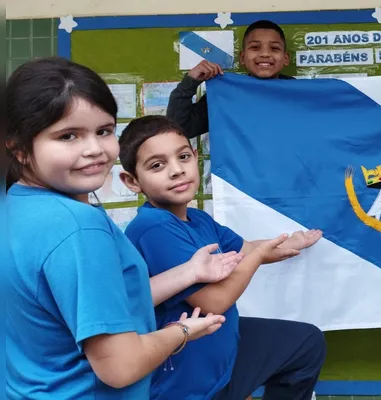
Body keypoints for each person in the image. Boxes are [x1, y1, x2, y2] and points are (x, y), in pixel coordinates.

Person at [6, 57, 232, 399]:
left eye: (104, 131)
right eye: (68, 136)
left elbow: (96, 306)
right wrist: (182, 331)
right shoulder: (78, 228)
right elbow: (120, 367)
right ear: (20, 148)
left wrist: (188, 272)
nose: (95, 150)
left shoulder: (16, 206)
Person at [117, 115, 327, 400]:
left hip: (222, 347)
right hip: (188, 376)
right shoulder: (153, 227)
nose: (177, 170)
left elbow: (244, 250)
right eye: (157, 165)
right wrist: (260, 256)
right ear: (132, 181)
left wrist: (292, 242)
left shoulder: (197, 218)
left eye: (183, 156)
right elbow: (214, 302)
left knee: (305, 343)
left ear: (195, 157)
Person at [167, 20, 293, 139]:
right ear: (242, 57)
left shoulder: (301, 94)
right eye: (255, 47)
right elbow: (180, 129)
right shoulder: (225, 95)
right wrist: (190, 81)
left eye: (274, 48)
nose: (265, 54)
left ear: (286, 58)